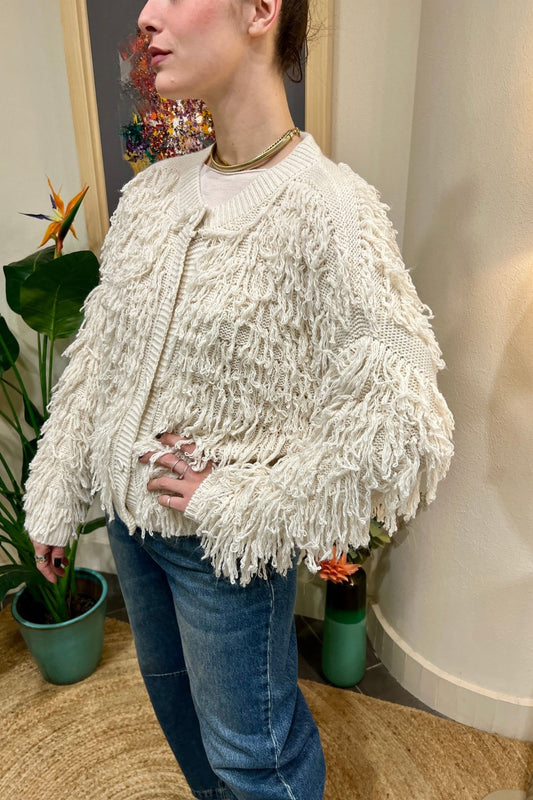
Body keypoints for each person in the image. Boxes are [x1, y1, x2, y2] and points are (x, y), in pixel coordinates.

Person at [24, 1, 455, 798]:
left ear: (260, 10)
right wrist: (55, 495)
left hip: (216, 554)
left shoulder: (329, 208)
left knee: (255, 761)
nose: (146, 16)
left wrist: (240, 501)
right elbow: (100, 360)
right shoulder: (151, 195)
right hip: (129, 529)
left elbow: (404, 419)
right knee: (180, 719)